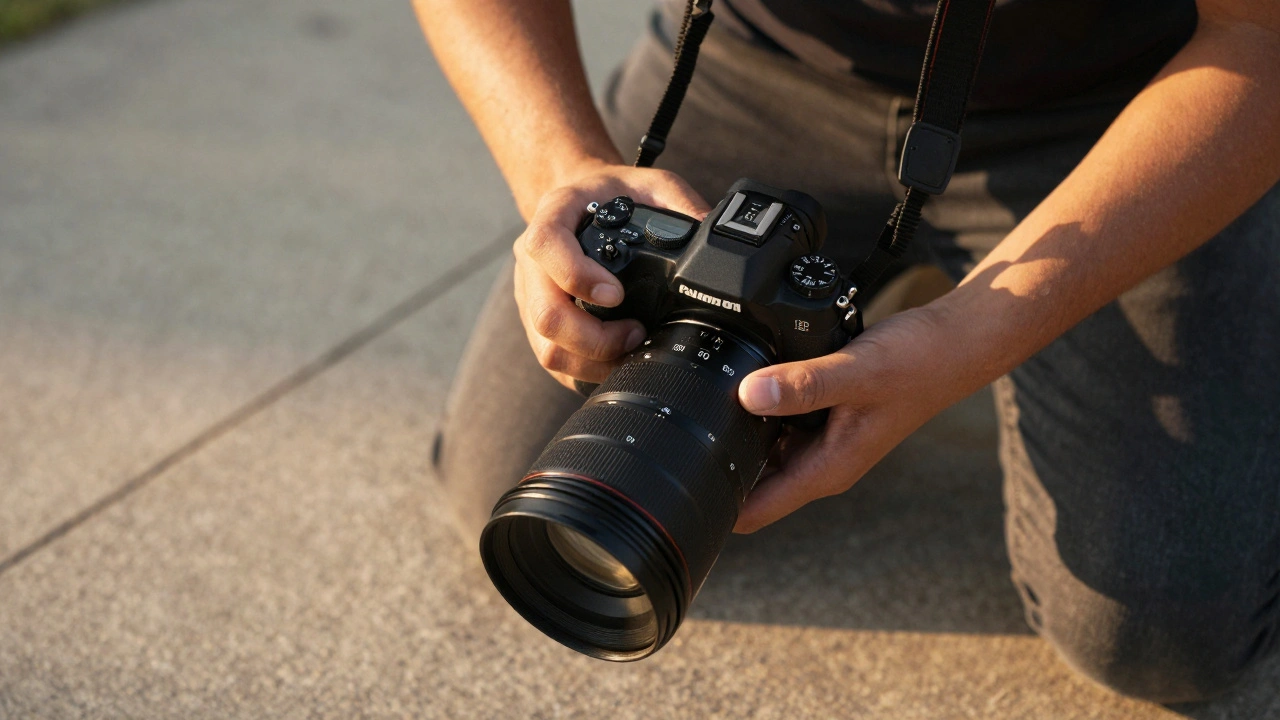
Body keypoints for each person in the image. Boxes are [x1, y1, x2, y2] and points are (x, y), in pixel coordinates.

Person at [413, 0, 1280, 703]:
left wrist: (976, 334)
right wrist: (561, 169)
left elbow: (1259, 34)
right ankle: (888, 287)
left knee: (1160, 632)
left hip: (1124, 101)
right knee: (525, 478)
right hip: (760, 63)